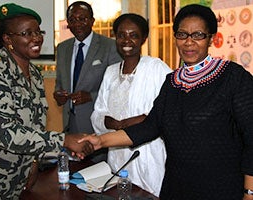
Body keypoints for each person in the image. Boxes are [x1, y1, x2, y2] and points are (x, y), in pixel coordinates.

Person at [79, 4, 253, 200]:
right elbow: (150, 126)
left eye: (198, 35)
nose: (189, 42)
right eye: (182, 35)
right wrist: (100, 141)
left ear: (211, 38)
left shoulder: (233, 77)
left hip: (220, 187)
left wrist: (249, 192)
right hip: (176, 186)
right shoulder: (173, 82)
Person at [0, 3, 92, 199]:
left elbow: (33, 125)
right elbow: (0, 131)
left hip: (11, 181)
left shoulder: (34, 73)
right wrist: (63, 140)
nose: (36, 38)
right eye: (27, 33)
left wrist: (33, 161)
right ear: (7, 39)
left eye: (38, 31)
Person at [90, 13, 171, 196]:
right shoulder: (110, 72)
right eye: (121, 35)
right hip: (117, 152)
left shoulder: (155, 67)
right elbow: (98, 112)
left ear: (143, 38)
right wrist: (111, 123)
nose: (127, 40)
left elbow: (172, 107)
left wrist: (143, 120)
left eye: (133, 35)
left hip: (147, 153)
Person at [53, 1, 122, 134]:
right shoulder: (62, 48)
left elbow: (118, 86)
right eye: (72, 20)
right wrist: (58, 95)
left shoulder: (109, 47)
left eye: (82, 19)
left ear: (92, 21)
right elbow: (60, 82)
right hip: (70, 122)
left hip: (98, 123)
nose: (77, 24)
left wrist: (91, 96)